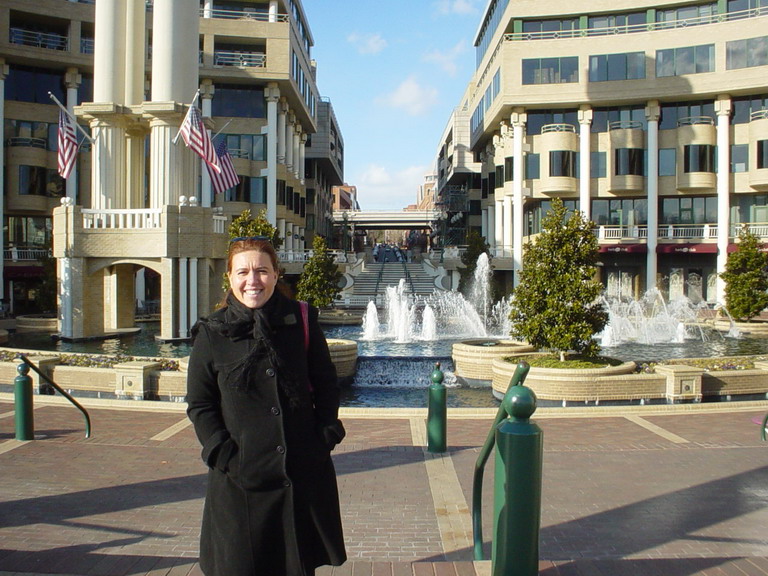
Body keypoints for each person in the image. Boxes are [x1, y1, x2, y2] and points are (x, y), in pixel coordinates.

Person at [186, 237, 347, 576]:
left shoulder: (300, 319)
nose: (252, 280)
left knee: (297, 565)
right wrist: (226, 457)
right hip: (240, 479)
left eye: (261, 270)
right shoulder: (213, 332)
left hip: (300, 474)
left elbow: (326, 382)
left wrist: (323, 437)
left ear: (276, 274)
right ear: (230, 277)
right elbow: (201, 404)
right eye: (243, 272)